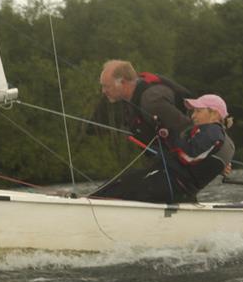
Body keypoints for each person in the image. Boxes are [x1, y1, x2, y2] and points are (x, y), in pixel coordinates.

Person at [91, 94, 235, 204]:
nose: (193, 115)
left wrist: (169, 134)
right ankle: (89, 201)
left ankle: (88, 204)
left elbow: (187, 155)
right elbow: (198, 159)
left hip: (170, 185)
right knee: (123, 181)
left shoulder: (212, 133)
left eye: (198, 111)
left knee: (121, 186)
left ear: (214, 114)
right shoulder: (215, 135)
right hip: (171, 183)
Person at [99, 60, 192, 144]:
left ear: (123, 83)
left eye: (107, 86)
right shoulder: (132, 98)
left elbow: (189, 131)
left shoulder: (152, 102)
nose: (103, 91)